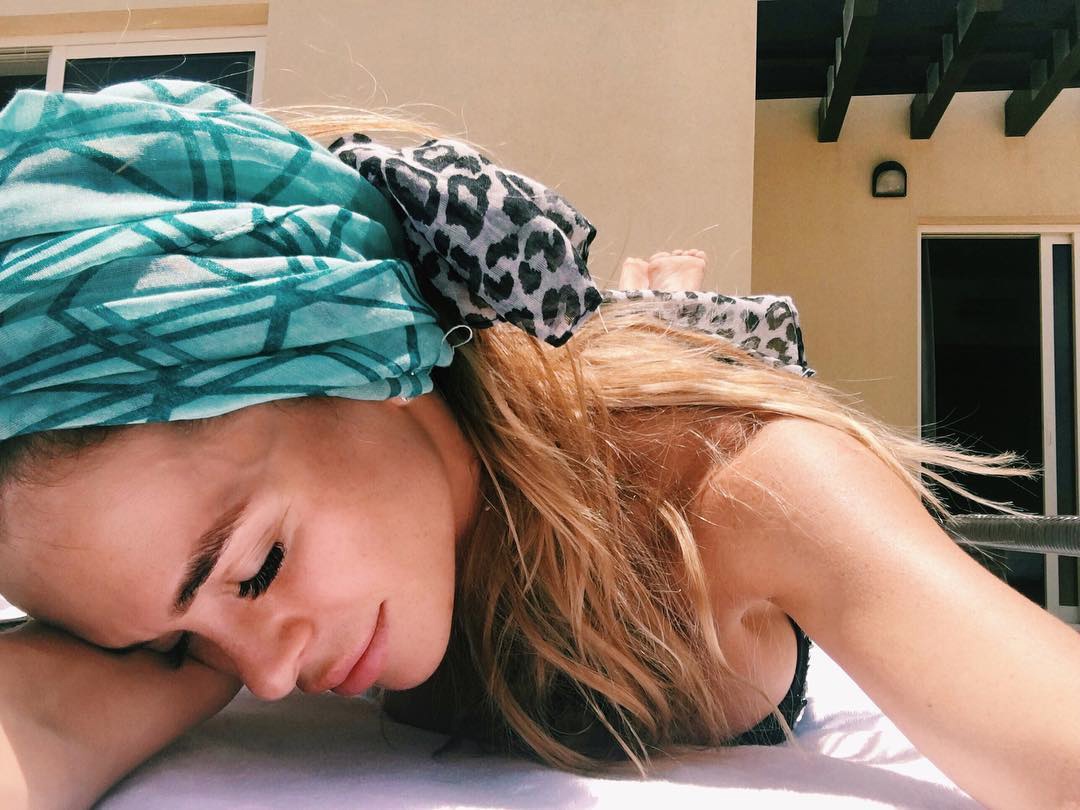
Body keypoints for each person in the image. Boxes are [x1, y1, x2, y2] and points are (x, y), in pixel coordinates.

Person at [0, 80, 1077, 810]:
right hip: (524, 414)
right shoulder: (221, 622)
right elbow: (35, 725)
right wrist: (179, 647)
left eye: (257, 567)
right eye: (173, 644)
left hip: (614, 432)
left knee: (670, 342)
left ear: (363, 353)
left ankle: (663, 308)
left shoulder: (740, 483)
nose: (269, 677)